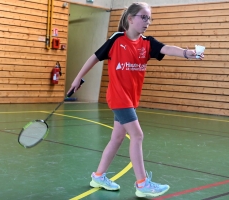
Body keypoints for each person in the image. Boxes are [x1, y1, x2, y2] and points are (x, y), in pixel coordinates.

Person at [67, 2, 204, 198]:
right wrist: (77, 78)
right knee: (137, 135)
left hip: (131, 99)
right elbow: (94, 57)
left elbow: (166, 48)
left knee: (117, 138)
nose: (147, 22)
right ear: (130, 19)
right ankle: (142, 184)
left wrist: (186, 53)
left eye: (149, 18)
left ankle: (98, 176)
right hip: (118, 97)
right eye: (143, 17)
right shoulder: (117, 40)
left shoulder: (147, 43)